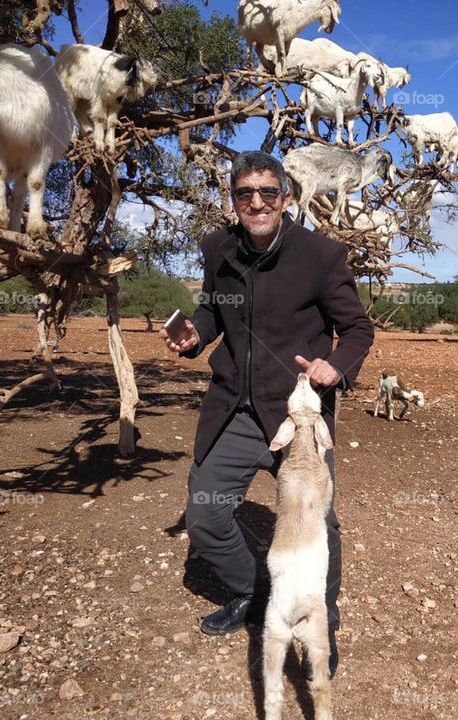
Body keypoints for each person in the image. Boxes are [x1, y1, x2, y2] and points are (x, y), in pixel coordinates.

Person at [160, 150, 374, 677]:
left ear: (286, 197)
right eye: (244, 193)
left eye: (268, 192)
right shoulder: (218, 248)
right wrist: (194, 336)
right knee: (207, 516)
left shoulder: (320, 256)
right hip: (232, 405)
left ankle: (318, 616)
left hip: (297, 415)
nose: (256, 202)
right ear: (233, 199)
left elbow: (359, 330)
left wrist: (335, 368)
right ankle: (253, 595)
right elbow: (212, 311)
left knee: (313, 523)